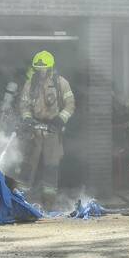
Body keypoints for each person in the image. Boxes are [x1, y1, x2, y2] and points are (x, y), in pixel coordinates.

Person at [15, 50, 75, 209]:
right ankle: (21, 201)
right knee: (27, 167)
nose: (40, 72)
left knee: (51, 168)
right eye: (38, 69)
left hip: (53, 131)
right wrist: (27, 118)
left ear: (50, 68)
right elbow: (24, 105)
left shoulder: (61, 83)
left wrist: (60, 120)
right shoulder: (30, 84)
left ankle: (48, 204)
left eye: (43, 69)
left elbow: (70, 105)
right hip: (34, 131)